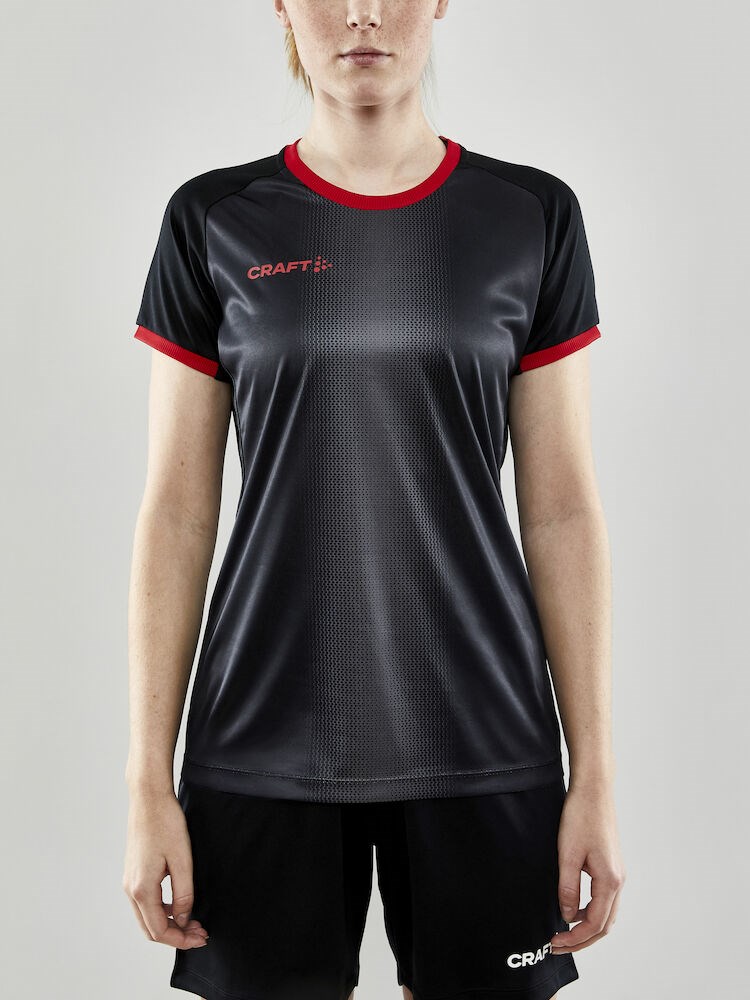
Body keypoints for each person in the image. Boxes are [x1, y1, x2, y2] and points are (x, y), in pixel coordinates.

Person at [122, 2, 626, 998]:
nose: (361, 12)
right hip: (263, 741)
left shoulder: (531, 215)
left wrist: (596, 772)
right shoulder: (212, 219)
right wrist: (145, 777)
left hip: (484, 739)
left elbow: (562, 508)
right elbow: (177, 512)